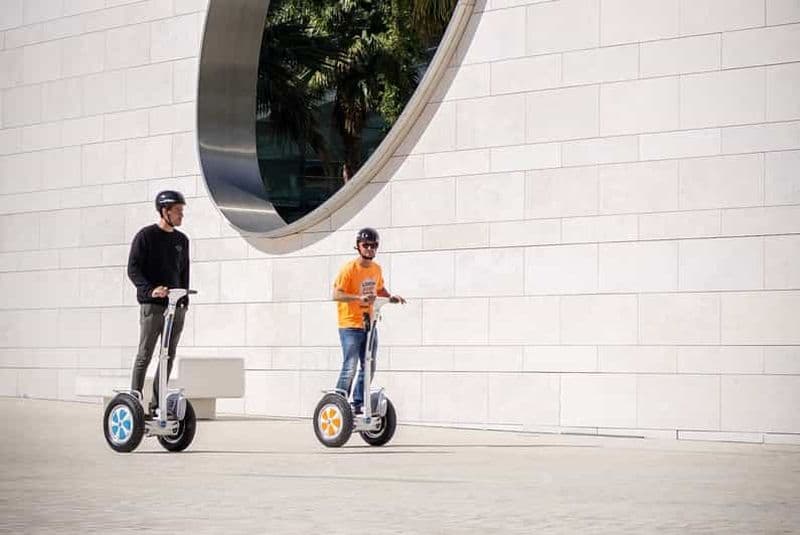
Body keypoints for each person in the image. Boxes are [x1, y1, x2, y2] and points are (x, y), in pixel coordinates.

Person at [127, 190, 190, 416]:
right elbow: (133, 269)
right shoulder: (146, 236)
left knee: (168, 355)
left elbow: (184, 273)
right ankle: (134, 400)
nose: (182, 215)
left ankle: (157, 404)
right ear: (165, 211)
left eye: (182, 211)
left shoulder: (182, 240)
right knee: (145, 353)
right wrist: (151, 290)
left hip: (175, 308)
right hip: (152, 307)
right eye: (178, 211)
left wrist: (184, 301)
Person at [332, 227, 405, 413]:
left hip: (369, 323)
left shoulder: (376, 269)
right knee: (350, 364)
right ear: (358, 246)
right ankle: (339, 404)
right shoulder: (349, 269)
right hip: (350, 324)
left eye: (374, 246)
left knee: (369, 364)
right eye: (366, 245)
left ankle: (357, 403)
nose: (370, 249)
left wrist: (391, 297)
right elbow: (336, 294)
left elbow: (379, 290)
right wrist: (358, 298)